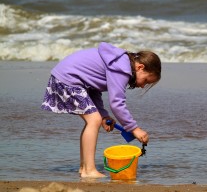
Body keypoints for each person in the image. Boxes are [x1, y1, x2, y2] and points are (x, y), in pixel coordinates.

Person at [41, 42, 161, 178]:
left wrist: (103, 115)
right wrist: (134, 128)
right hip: (68, 79)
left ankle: (84, 167)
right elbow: (116, 103)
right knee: (94, 120)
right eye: (145, 81)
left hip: (67, 77)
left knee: (95, 119)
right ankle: (89, 171)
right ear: (140, 67)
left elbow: (93, 88)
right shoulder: (122, 69)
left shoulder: (119, 63)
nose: (142, 86)